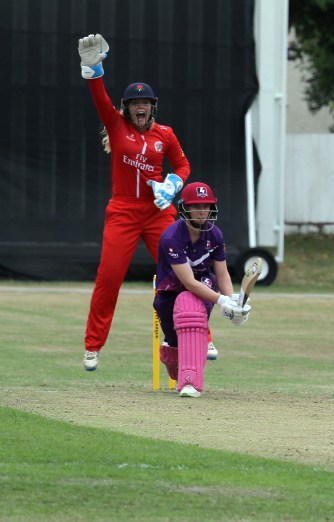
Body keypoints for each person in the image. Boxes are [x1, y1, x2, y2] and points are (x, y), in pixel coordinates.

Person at [78, 33, 218, 370]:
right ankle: (93, 346)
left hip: (158, 212)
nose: (140, 108)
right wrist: (93, 70)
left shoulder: (164, 134)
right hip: (123, 210)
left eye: (145, 104)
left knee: (186, 273)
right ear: (126, 108)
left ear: (153, 107)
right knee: (109, 277)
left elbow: (182, 164)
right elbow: (99, 98)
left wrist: (172, 184)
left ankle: (204, 336)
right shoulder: (116, 126)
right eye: (134, 104)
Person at [153, 182, 251, 398]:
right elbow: (188, 282)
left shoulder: (215, 235)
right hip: (170, 290)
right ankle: (172, 356)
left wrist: (232, 303)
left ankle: (191, 383)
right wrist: (222, 301)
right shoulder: (171, 237)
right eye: (196, 206)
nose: (202, 211)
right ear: (185, 208)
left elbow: (222, 274)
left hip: (203, 284)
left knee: (192, 316)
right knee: (174, 343)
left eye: (206, 206)